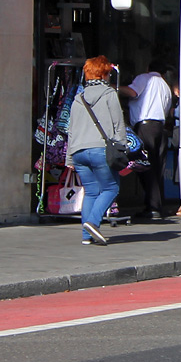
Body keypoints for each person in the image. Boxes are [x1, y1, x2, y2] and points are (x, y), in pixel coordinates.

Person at [66, 55, 126, 245]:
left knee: (91, 191)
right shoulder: (109, 94)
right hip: (100, 149)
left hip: (78, 152)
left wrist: (69, 159)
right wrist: (122, 149)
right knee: (111, 188)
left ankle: (86, 237)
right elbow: (119, 125)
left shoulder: (78, 98)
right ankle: (93, 222)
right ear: (104, 73)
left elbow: (71, 129)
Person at [120, 60, 175, 219]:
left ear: (148, 68)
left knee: (144, 165)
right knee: (157, 168)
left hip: (145, 127)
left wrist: (115, 88)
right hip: (160, 128)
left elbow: (132, 92)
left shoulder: (145, 78)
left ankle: (153, 208)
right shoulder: (165, 86)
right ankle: (156, 206)